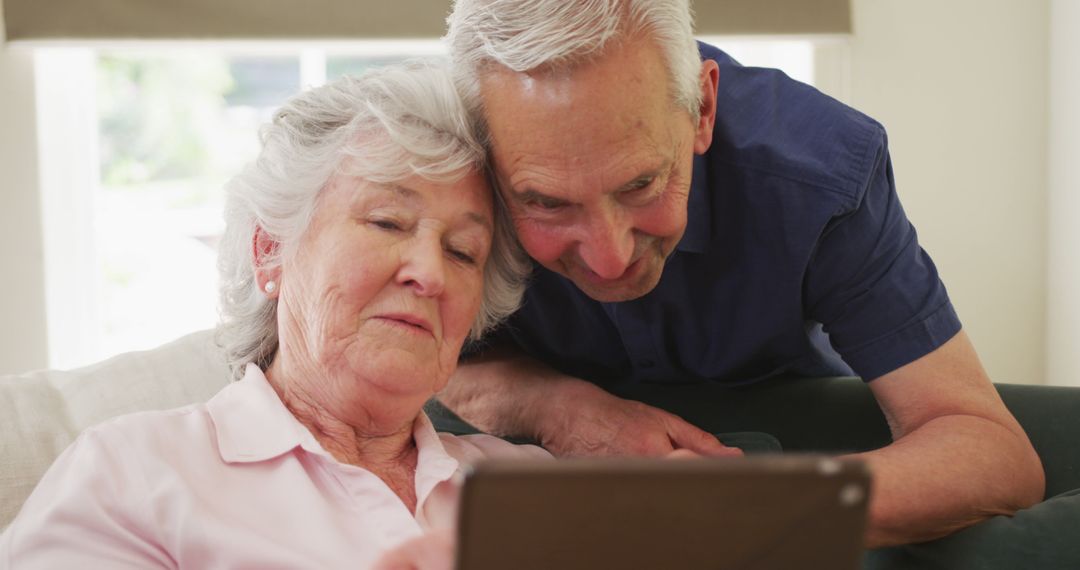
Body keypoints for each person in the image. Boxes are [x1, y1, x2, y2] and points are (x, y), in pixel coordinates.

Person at [436, 0, 1045, 547]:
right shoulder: (440, 170)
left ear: (702, 108)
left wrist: (751, 507)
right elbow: (401, 363)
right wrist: (560, 412)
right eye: (546, 202)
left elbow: (991, 450)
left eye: (642, 184)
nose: (609, 258)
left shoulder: (821, 177)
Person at [0, 61, 550, 569]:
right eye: (387, 221)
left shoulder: (536, 490)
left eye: (463, 252)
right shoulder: (133, 471)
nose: (430, 273)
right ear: (270, 252)